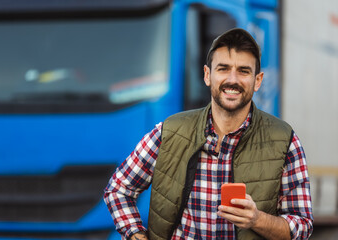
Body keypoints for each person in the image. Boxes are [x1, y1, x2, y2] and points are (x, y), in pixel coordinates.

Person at [104, 28, 313, 240]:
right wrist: (136, 235)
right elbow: (118, 189)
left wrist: (257, 219)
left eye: (243, 71)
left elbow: (302, 226)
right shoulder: (170, 132)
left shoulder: (285, 140)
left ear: (257, 80)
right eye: (223, 69)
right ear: (207, 75)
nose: (233, 80)